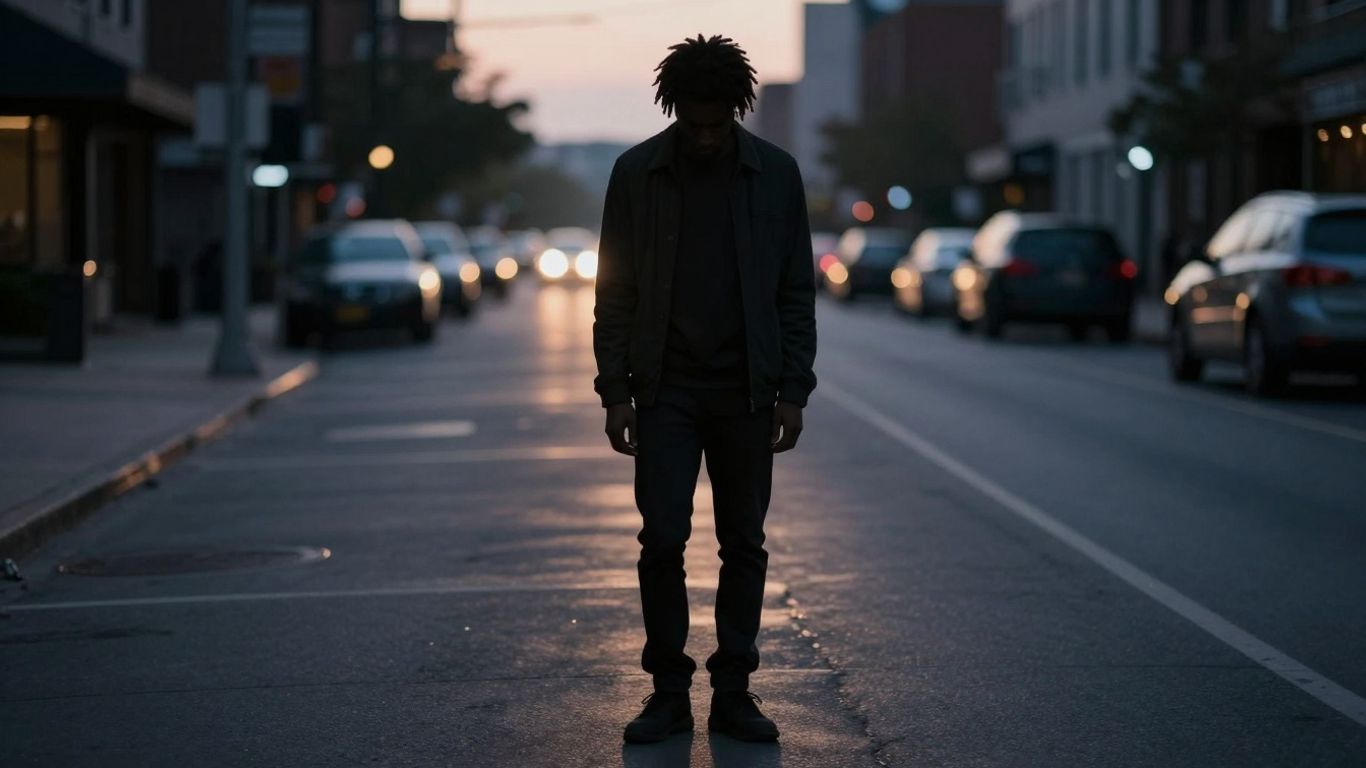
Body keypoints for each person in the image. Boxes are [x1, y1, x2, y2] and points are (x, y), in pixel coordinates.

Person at [592, 34, 817, 744]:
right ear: (673, 109)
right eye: (692, 122)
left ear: (737, 110)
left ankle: (734, 691)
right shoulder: (636, 174)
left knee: (743, 543)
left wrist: (793, 389)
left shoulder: (775, 175)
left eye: (717, 123)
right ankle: (667, 691)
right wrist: (616, 393)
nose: (705, 135)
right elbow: (615, 293)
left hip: (748, 392)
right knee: (662, 538)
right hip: (664, 391)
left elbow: (794, 292)